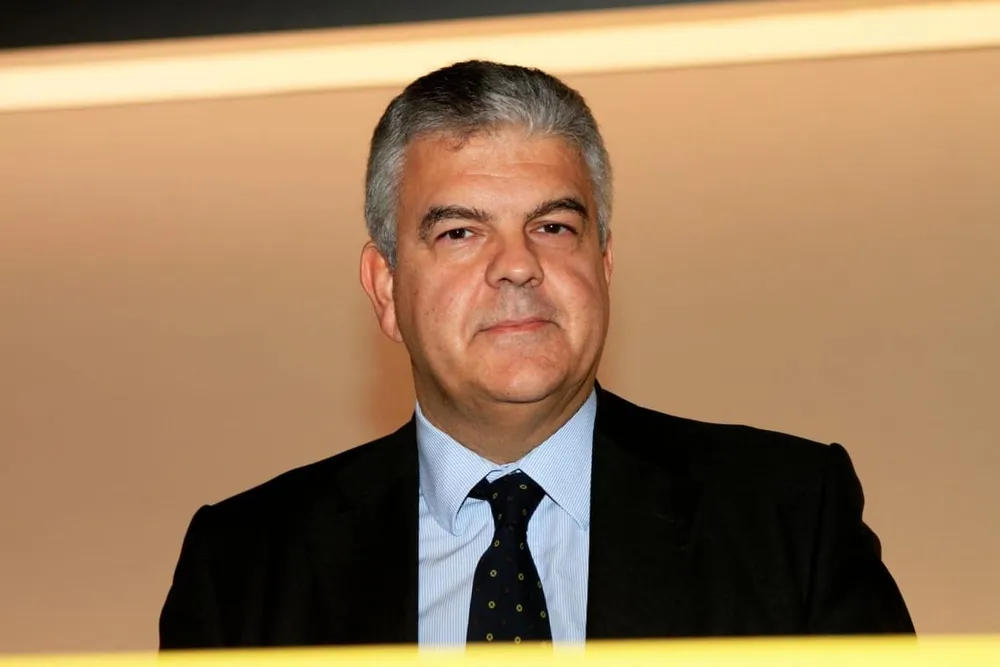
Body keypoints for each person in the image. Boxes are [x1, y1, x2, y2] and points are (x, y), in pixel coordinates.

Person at [159, 60, 913, 649]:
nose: (517, 265)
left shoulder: (789, 519)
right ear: (385, 287)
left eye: (553, 227)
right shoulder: (244, 568)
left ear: (604, 266)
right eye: (461, 232)